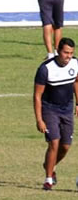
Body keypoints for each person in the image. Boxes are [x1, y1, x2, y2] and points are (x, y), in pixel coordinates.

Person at [33, 37, 78, 191]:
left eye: (71, 53)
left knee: (65, 146)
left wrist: (77, 103)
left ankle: (49, 165)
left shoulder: (75, 63)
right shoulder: (45, 69)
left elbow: (76, 81)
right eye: (66, 52)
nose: (68, 56)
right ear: (58, 51)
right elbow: (37, 95)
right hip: (49, 109)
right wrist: (39, 119)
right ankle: (48, 179)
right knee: (54, 143)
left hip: (67, 109)